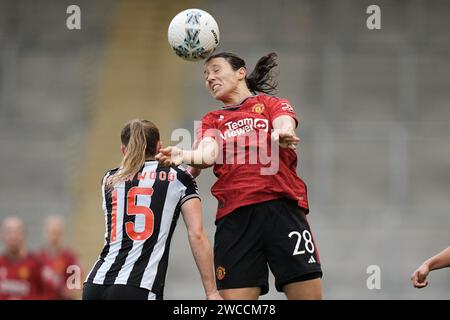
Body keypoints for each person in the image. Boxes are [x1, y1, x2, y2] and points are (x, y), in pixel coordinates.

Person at [156, 52, 323, 299]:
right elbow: (208, 154)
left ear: (240, 72)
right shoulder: (212, 120)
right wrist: (184, 154)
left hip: (281, 210)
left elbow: (284, 122)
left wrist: (282, 133)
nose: (209, 78)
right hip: (235, 220)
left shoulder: (270, 104)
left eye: (215, 70)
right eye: (205, 75)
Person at [83, 119, 221, 300]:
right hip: (138, 286)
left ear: (123, 149)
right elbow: (196, 234)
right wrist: (211, 292)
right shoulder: (178, 178)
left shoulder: (109, 179)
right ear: (159, 146)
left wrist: (187, 175)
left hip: (95, 284)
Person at [36, 216, 80, 299]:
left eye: (57, 233)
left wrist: (64, 289)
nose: (54, 237)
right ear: (45, 233)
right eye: (51, 232)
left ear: (63, 234)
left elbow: (76, 290)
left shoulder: (71, 258)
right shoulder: (37, 258)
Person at [0, 216, 43, 300]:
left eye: (17, 232)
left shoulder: (37, 264)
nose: (13, 236)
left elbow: (46, 294)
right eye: (9, 232)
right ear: (2, 235)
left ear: (24, 234)